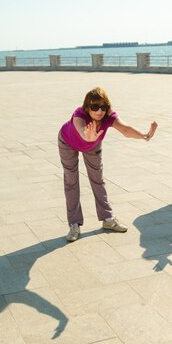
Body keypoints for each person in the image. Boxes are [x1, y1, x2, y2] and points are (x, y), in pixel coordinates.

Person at [59, 87, 158, 242]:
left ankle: (108, 219)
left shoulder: (109, 116)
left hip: (92, 146)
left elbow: (125, 129)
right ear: (87, 107)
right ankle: (74, 224)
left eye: (103, 107)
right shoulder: (79, 114)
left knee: (98, 179)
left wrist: (144, 135)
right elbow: (81, 130)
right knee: (71, 181)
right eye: (95, 106)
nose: (99, 111)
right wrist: (88, 135)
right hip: (67, 142)